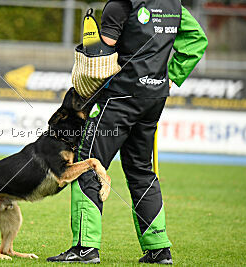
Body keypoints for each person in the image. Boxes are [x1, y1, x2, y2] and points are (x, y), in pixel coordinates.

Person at [47, 0, 208, 264]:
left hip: (119, 96)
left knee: (89, 162)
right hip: (154, 97)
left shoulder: (120, 4)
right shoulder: (173, 4)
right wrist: (173, 74)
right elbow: (197, 39)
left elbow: (104, 47)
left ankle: (84, 248)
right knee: (141, 170)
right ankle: (158, 249)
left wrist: (89, 42)